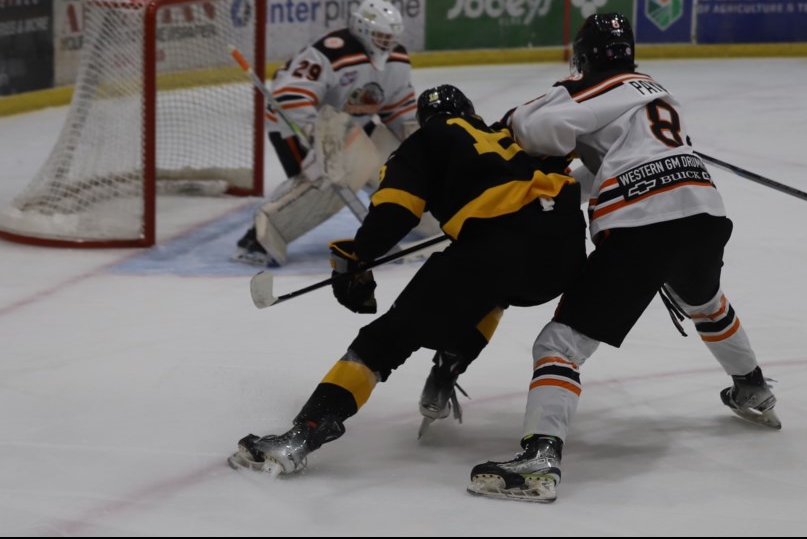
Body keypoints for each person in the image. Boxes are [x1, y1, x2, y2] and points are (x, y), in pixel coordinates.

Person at [467, 13, 781, 503]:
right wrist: (566, 185)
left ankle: (540, 457)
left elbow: (538, 129)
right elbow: (610, 166)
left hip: (642, 223)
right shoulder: (655, 90)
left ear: (585, 56)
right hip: (703, 210)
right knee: (706, 302)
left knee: (559, 344)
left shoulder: (594, 86)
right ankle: (752, 387)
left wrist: (517, 120)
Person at [228, 84, 587, 477]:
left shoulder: (426, 139)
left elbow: (395, 212)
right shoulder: (506, 134)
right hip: (564, 248)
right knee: (490, 291)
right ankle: (448, 367)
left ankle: (302, 436)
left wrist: (358, 258)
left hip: (497, 247)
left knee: (383, 342)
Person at [233, 0, 436, 268]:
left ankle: (434, 222)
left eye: (390, 36)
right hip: (295, 127)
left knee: (404, 161)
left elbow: (399, 111)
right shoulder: (330, 52)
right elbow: (290, 99)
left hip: (354, 128)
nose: (387, 42)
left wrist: (423, 149)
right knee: (332, 177)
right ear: (363, 28)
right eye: (380, 35)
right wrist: (318, 141)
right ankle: (259, 238)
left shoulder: (396, 60)